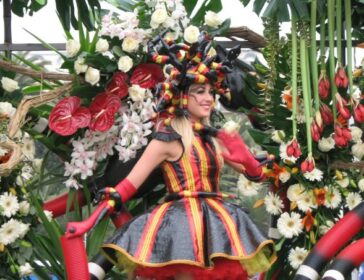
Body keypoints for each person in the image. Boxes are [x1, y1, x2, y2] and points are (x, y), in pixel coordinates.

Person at [80, 31, 276, 280]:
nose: (208, 98)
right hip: (180, 227)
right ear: (183, 96)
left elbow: (257, 175)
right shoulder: (167, 139)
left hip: (218, 224)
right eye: (200, 91)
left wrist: (247, 158)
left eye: (210, 92)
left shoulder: (214, 138)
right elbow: (127, 187)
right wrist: (90, 222)